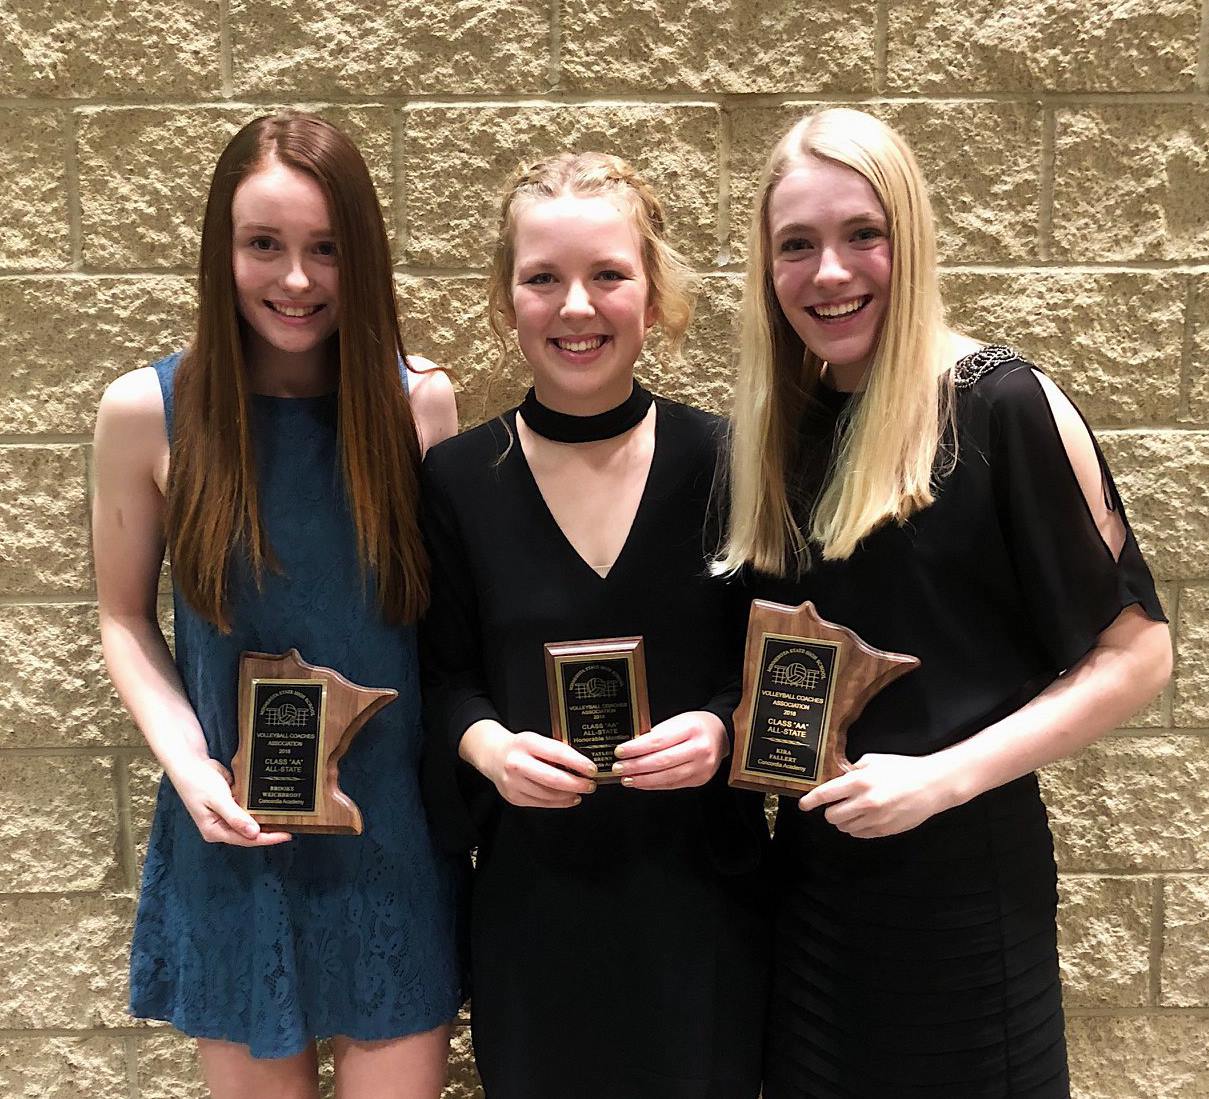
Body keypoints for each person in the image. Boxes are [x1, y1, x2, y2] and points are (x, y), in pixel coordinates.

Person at [717, 108, 1173, 1098]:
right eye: (796, 245)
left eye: (862, 234)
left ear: (912, 239)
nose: (829, 272)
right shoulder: (782, 431)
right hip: (813, 904)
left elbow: (1138, 655)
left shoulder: (1000, 404)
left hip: (966, 907)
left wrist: (941, 779)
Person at [92, 112, 463, 1099]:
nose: (296, 279)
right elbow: (123, 616)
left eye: (326, 249)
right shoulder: (146, 411)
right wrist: (188, 765)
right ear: (222, 250)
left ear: (363, 256)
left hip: (391, 838)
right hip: (236, 835)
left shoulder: (419, 402)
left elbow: (447, 629)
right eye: (264, 244)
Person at [419, 151, 769, 1099]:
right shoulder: (456, 479)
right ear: (507, 301)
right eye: (543, 278)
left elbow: (777, 665)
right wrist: (491, 749)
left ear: (652, 296)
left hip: (704, 901)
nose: (575, 307)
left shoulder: (731, 462)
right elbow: (440, 676)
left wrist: (722, 728)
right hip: (536, 906)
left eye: (607, 274)